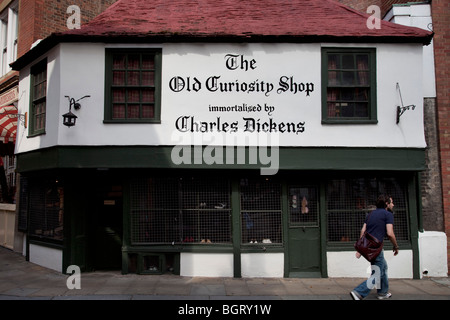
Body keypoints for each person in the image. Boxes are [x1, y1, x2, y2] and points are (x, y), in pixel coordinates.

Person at [350, 195, 399, 300]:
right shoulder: (388, 215)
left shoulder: (370, 214)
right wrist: (395, 245)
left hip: (369, 247)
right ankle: (359, 292)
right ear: (386, 204)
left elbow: (363, 230)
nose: (393, 204)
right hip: (377, 248)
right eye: (391, 202)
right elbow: (390, 233)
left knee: (383, 268)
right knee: (377, 273)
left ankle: (383, 292)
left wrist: (360, 248)